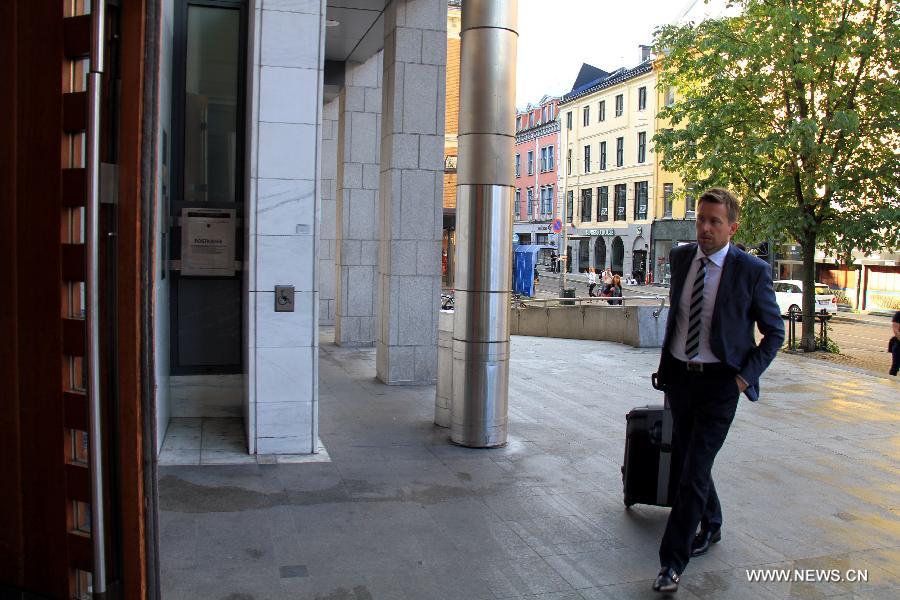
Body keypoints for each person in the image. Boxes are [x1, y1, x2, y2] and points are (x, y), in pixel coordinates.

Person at [650, 188, 784, 593]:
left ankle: (672, 563)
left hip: (720, 385)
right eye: (700, 220)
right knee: (691, 462)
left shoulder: (751, 271)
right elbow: (678, 315)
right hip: (680, 379)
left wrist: (743, 379)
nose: (704, 229)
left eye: (714, 222)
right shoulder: (681, 257)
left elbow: (774, 334)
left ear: (733, 227)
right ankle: (713, 523)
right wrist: (666, 370)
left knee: (691, 474)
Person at [890, 311, 900, 376]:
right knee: (895, 367)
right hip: (899, 344)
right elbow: (896, 330)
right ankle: (891, 384)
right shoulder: (898, 315)